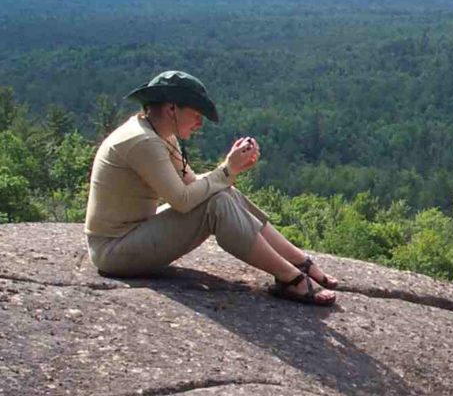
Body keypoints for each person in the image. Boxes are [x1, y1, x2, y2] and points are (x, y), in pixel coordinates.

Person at [83, 70, 338, 305]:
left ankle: (298, 261)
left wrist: (229, 170)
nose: (199, 124)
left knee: (225, 193)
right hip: (114, 251)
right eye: (196, 115)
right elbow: (182, 200)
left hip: (131, 236)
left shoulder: (157, 133)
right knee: (217, 202)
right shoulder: (143, 141)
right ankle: (289, 277)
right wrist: (227, 170)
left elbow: (194, 186)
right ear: (172, 108)